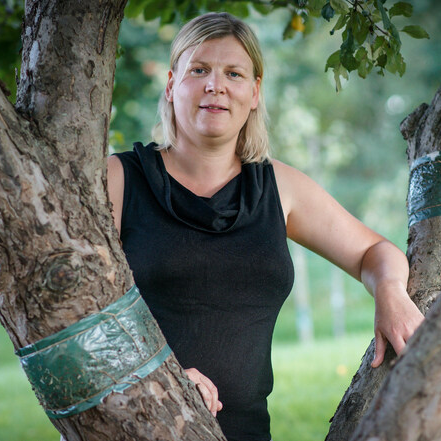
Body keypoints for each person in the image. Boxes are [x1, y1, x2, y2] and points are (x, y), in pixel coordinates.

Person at [106, 12, 424, 441]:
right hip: (133, 427)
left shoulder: (278, 186)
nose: (214, 85)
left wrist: (390, 291)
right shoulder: (119, 179)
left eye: (233, 73)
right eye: (199, 70)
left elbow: (374, 252)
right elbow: (83, 315)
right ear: (170, 84)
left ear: (254, 92)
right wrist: (160, 380)